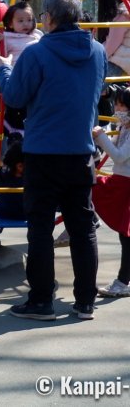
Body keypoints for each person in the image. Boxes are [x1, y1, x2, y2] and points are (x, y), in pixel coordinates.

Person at [0, 0, 106, 321]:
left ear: (52, 18)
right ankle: (85, 301)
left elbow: (14, 96)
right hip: (81, 151)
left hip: (43, 151)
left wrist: (2, 68)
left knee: (40, 228)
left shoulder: (36, 53)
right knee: (82, 227)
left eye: (43, 15)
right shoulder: (97, 51)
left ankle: (42, 300)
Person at [91, 87, 130, 298]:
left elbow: (119, 156)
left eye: (121, 105)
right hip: (121, 181)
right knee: (125, 235)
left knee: (126, 235)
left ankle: (123, 281)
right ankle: (124, 280)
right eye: (116, 104)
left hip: (126, 184)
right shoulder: (124, 126)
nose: (117, 108)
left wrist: (101, 138)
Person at [0, 0, 43, 136]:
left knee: (30, 106)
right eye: (20, 21)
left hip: (33, 76)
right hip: (14, 76)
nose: (26, 24)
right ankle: (12, 130)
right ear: (10, 23)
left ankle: (23, 129)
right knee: (13, 106)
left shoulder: (37, 36)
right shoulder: (5, 36)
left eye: (29, 20)